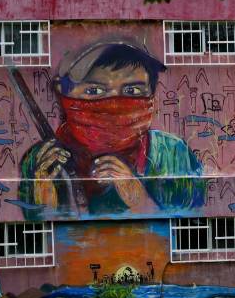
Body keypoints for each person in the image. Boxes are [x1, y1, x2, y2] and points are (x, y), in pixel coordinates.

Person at [17, 38, 204, 218]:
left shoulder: (172, 153)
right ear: (62, 93)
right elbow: (40, 234)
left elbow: (189, 227)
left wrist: (140, 200)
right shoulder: (41, 160)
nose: (114, 105)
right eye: (94, 91)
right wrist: (44, 197)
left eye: (132, 91)